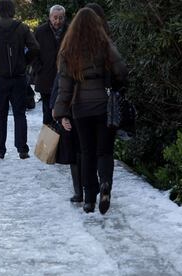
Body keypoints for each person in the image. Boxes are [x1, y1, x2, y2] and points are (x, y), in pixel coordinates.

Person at [54, 8, 128, 214]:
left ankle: (88, 199)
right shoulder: (104, 46)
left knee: (86, 152)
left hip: (80, 107)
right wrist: (114, 82)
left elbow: (64, 86)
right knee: (104, 151)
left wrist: (60, 112)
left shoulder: (68, 50)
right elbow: (122, 70)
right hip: (104, 106)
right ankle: (105, 184)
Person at [0, 0, 40, 160]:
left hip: (0, 78)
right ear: (13, 10)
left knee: (0, 114)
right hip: (19, 77)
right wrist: (25, 61)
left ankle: (0, 150)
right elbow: (35, 47)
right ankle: (22, 149)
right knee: (20, 114)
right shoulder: (22, 27)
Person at [34, 5, 68, 126]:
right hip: (46, 77)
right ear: (50, 17)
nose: (58, 21)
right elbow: (34, 52)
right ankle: (48, 141)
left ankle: (62, 142)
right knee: (47, 111)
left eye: (61, 18)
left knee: (64, 112)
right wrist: (39, 68)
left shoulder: (69, 31)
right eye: (55, 18)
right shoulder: (41, 31)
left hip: (65, 77)